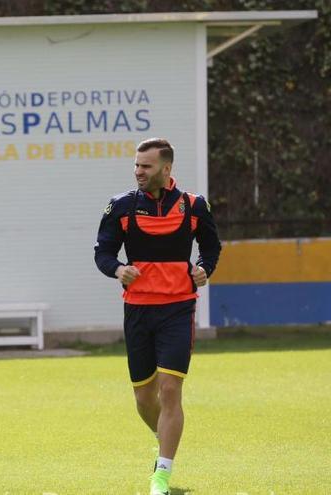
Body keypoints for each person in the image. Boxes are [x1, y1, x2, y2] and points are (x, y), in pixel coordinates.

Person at [94, 138, 221, 495]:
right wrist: (119, 270)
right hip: (138, 311)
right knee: (144, 399)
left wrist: (203, 267)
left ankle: (161, 474)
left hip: (179, 307)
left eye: (145, 166)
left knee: (170, 390)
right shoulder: (120, 206)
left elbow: (211, 247)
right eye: (136, 165)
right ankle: (162, 435)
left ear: (166, 169)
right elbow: (102, 252)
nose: (138, 172)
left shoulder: (194, 206)